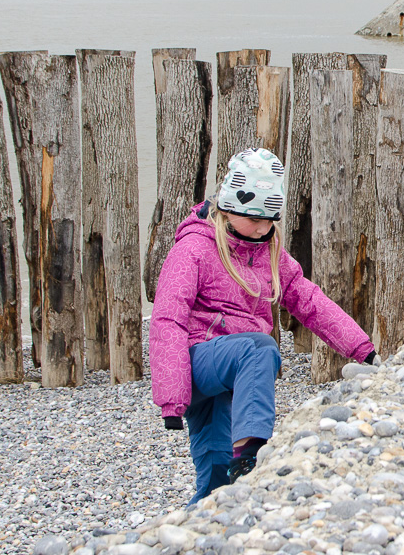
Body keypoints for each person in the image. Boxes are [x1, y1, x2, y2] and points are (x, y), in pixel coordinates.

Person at [149, 148, 376, 505]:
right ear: (228, 208)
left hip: (237, 373)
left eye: (270, 220)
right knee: (259, 346)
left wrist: (363, 349)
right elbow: (168, 319)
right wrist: (172, 399)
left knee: (217, 483)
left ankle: (201, 529)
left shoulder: (268, 250)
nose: (262, 227)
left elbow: (308, 300)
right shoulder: (193, 249)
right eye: (254, 219)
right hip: (197, 365)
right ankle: (252, 450)